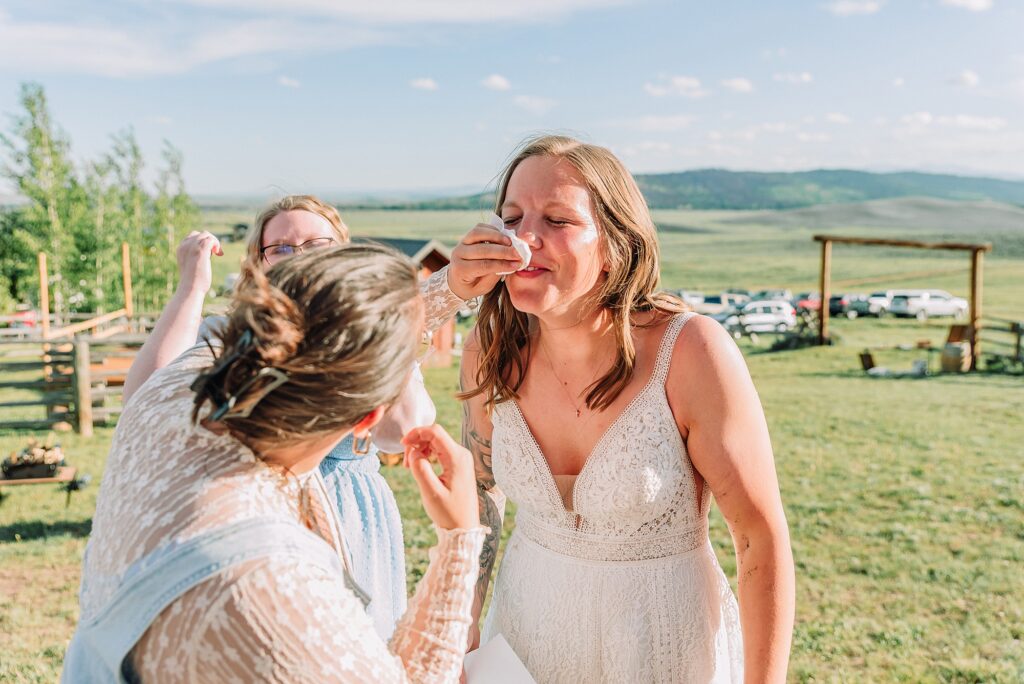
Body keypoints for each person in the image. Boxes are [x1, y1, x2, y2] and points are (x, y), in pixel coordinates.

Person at [63, 244, 486, 683]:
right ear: (368, 419)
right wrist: (458, 539)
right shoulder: (276, 589)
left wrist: (448, 287)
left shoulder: (170, 391)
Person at [460, 135, 796, 682]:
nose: (525, 238)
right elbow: (480, 502)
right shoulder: (489, 351)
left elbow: (760, 538)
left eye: (557, 220)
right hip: (523, 642)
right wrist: (463, 624)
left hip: (659, 646)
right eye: (512, 217)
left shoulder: (691, 352)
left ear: (616, 244)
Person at [123, 195, 520, 638]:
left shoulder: (367, 336)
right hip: (264, 508)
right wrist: (191, 286)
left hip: (353, 508)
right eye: (282, 248)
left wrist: (381, 331)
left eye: (317, 243)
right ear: (259, 262)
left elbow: (403, 428)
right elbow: (143, 398)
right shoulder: (229, 334)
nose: (301, 256)